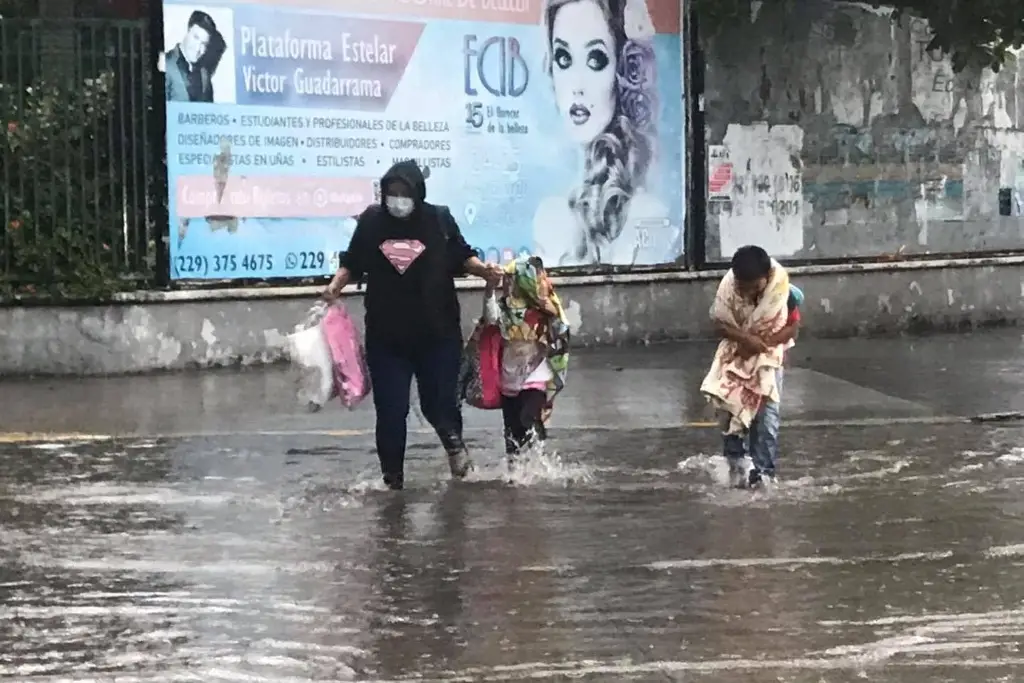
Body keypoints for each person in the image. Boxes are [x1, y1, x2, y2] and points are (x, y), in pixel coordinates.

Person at [324, 160, 502, 490]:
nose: (397, 199)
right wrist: (335, 286)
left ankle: (455, 449)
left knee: (440, 403)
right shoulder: (372, 223)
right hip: (387, 339)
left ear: (418, 192)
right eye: (391, 192)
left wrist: (484, 272)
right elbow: (352, 261)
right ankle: (392, 481)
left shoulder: (438, 220)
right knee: (391, 412)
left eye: (404, 192)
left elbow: (462, 255)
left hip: (438, 335)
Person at [532, 0, 671, 266]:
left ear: (623, 70)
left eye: (596, 60)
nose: (576, 86)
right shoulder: (551, 216)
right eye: (564, 58)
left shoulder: (647, 212)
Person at [700, 245, 791, 489]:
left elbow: (793, 328)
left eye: (754, 286)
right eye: (743, 286)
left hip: (768, 359)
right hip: (734, 354)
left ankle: (764, 473)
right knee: (730, 409)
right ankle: (736, 467)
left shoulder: (782, 291)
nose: (748, 291)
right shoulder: (728, 289)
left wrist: (761, 345)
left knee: (766, 417)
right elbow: (719, 323)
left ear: (767, 277)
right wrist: (744, 340)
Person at [481, 257, 570, 466]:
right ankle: (516, 471)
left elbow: (561, 332)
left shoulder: (547, 308)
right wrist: (489, 291)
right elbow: (491, 319)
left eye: (512, 279)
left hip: (536, 374)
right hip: (509, 376)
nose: (508, 284)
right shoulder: (504, 309)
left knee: (528, 418)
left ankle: (538, 462)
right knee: (512, 432)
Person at [165, 10, 217, 103]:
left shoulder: (205, 75)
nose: (198, 48)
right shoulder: (165, 64)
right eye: (196, 38)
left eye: (204, 44)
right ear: (187, 31)